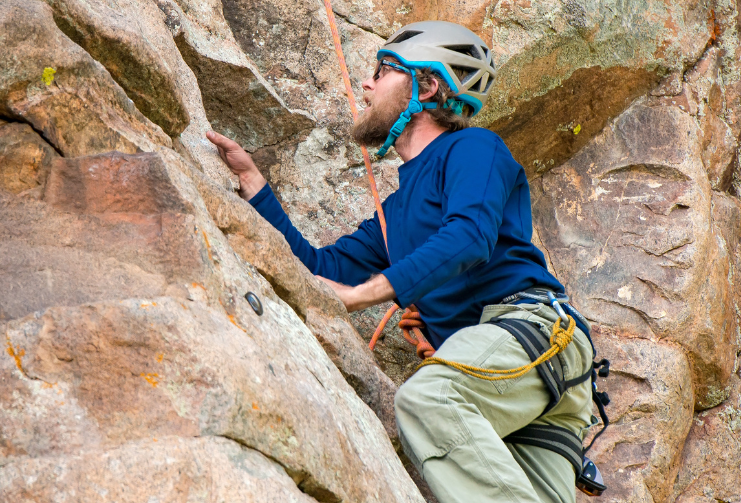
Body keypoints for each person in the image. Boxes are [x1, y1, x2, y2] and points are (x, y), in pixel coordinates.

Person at [207, 20, 596, 503]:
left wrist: (365, 294)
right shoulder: (395, 214)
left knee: (429, 399)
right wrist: (255, 187)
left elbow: (470, 236)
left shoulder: (475, 149)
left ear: (428, 86)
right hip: (521, 376)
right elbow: (318, 270)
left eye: (382, 70)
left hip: (530, 331)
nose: (366, 84)